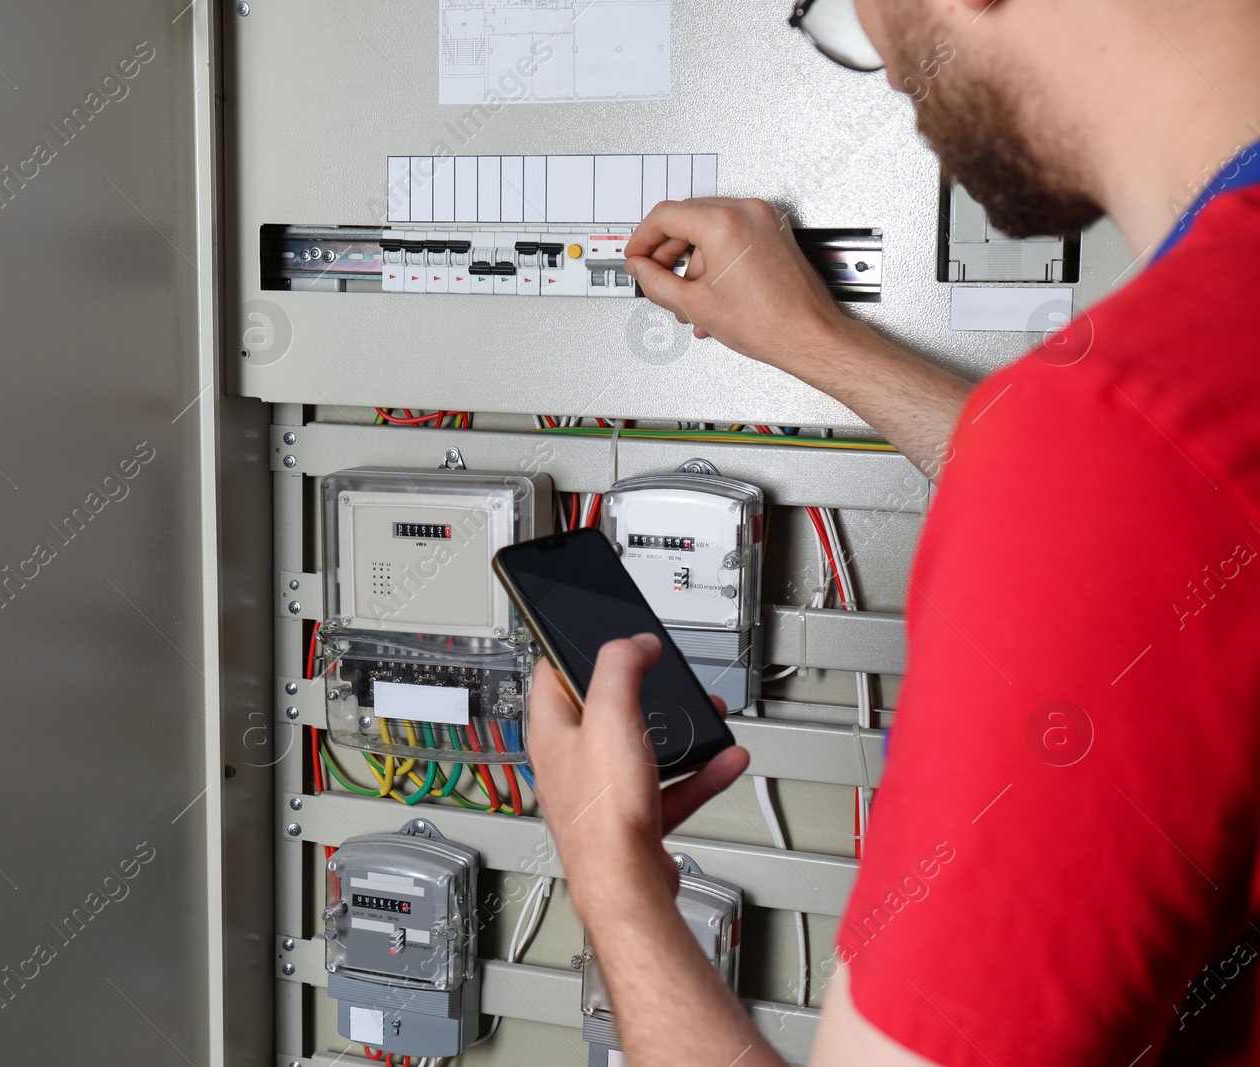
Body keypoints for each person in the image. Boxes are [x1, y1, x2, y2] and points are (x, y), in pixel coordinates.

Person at [526, 0, 1260, 1062]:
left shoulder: (1118, 444)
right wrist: (817, 343)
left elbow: (1119, 503)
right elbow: (1150, 532)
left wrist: (611, 877)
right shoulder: (1175, 407)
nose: (880, 62)